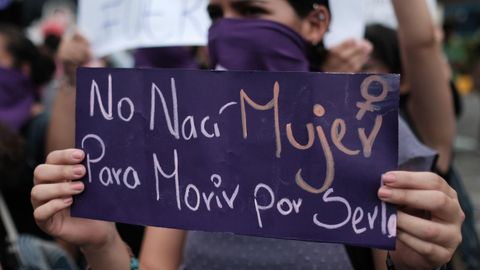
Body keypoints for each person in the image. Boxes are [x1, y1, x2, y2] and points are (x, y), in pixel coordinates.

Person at [31, 1, 464, 269]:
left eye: (250, 10)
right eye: (216, 14)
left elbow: (401, 258)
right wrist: (103, 246)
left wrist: (417, 264)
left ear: (315, 22)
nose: (226, 28)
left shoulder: (361, 129)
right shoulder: (194, 130)